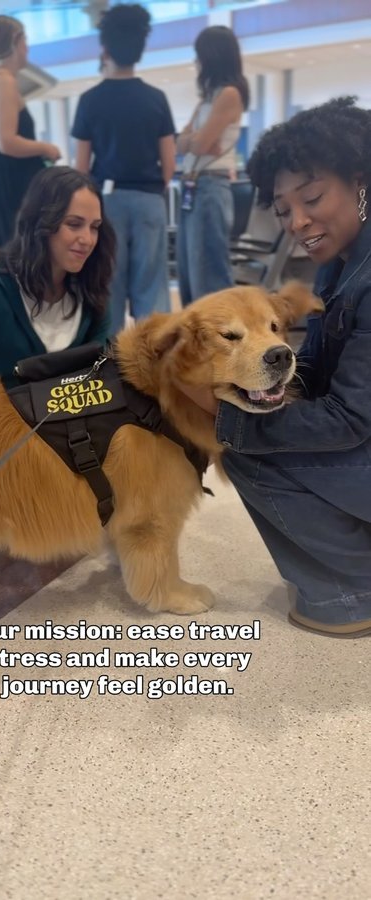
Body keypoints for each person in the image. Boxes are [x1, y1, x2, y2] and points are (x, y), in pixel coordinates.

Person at [179, 96, 371, 638]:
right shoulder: (345, 264)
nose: (298, 221)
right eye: (284, 209)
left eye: (312, 197)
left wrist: (226, 416)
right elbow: (318, 364)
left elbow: (347, 421)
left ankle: (353, 587)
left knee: (248, 451)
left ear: (361, 181)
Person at [0, 165, 115, 388]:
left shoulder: (93, 289)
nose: (87, 239)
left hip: (75, 420)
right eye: (74, 224)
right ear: (41, 222)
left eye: (95, 227)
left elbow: (105, 374)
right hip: (0, 419)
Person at [71, 3, 176, 336]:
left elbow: (81, 168)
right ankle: (155, 369)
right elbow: (169, 165)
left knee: (107, 286)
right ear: (141, 48)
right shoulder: (156, 99)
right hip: (149, 200)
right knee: (152, 291)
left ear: (104, 47)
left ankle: (109, 366)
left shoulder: (90, 100)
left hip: (105, 203)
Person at [176, 25, 248, 307]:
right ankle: (196, 346)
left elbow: (199, 145)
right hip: (192, 185)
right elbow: (181, 143)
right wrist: (194, 139)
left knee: (210, 276)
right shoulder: (207, 97)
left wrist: (193, 140)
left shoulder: (229, 94)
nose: (197, 62)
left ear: (212, 56)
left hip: (210, 186)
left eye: (199, 55)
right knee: (189, 273)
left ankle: (219, 346)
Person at [0, 15, 61, 245]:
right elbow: (6, 141)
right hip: (15, 184)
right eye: (26, 41)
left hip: (9, 179)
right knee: (26, 254)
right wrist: (46, 147)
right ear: (16, 42)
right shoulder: (4, 82)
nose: (28, 48)